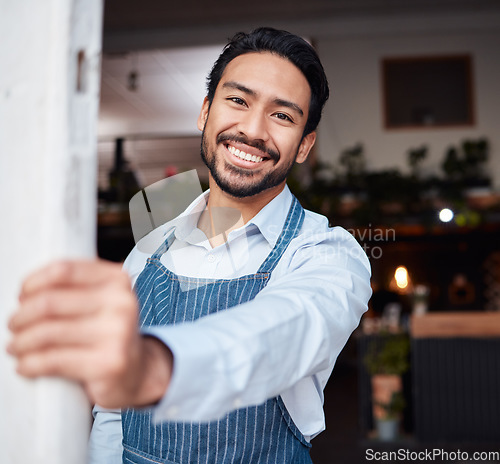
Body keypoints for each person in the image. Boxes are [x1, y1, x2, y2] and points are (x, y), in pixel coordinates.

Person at [8, 27, 371, 464]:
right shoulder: (150, 246)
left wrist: (154, 366)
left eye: (283, 116)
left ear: (304, 146)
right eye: (237, 100)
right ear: (205, 112)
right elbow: (112, 415)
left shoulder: (328, 252)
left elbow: (285, 332)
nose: (252, 130)